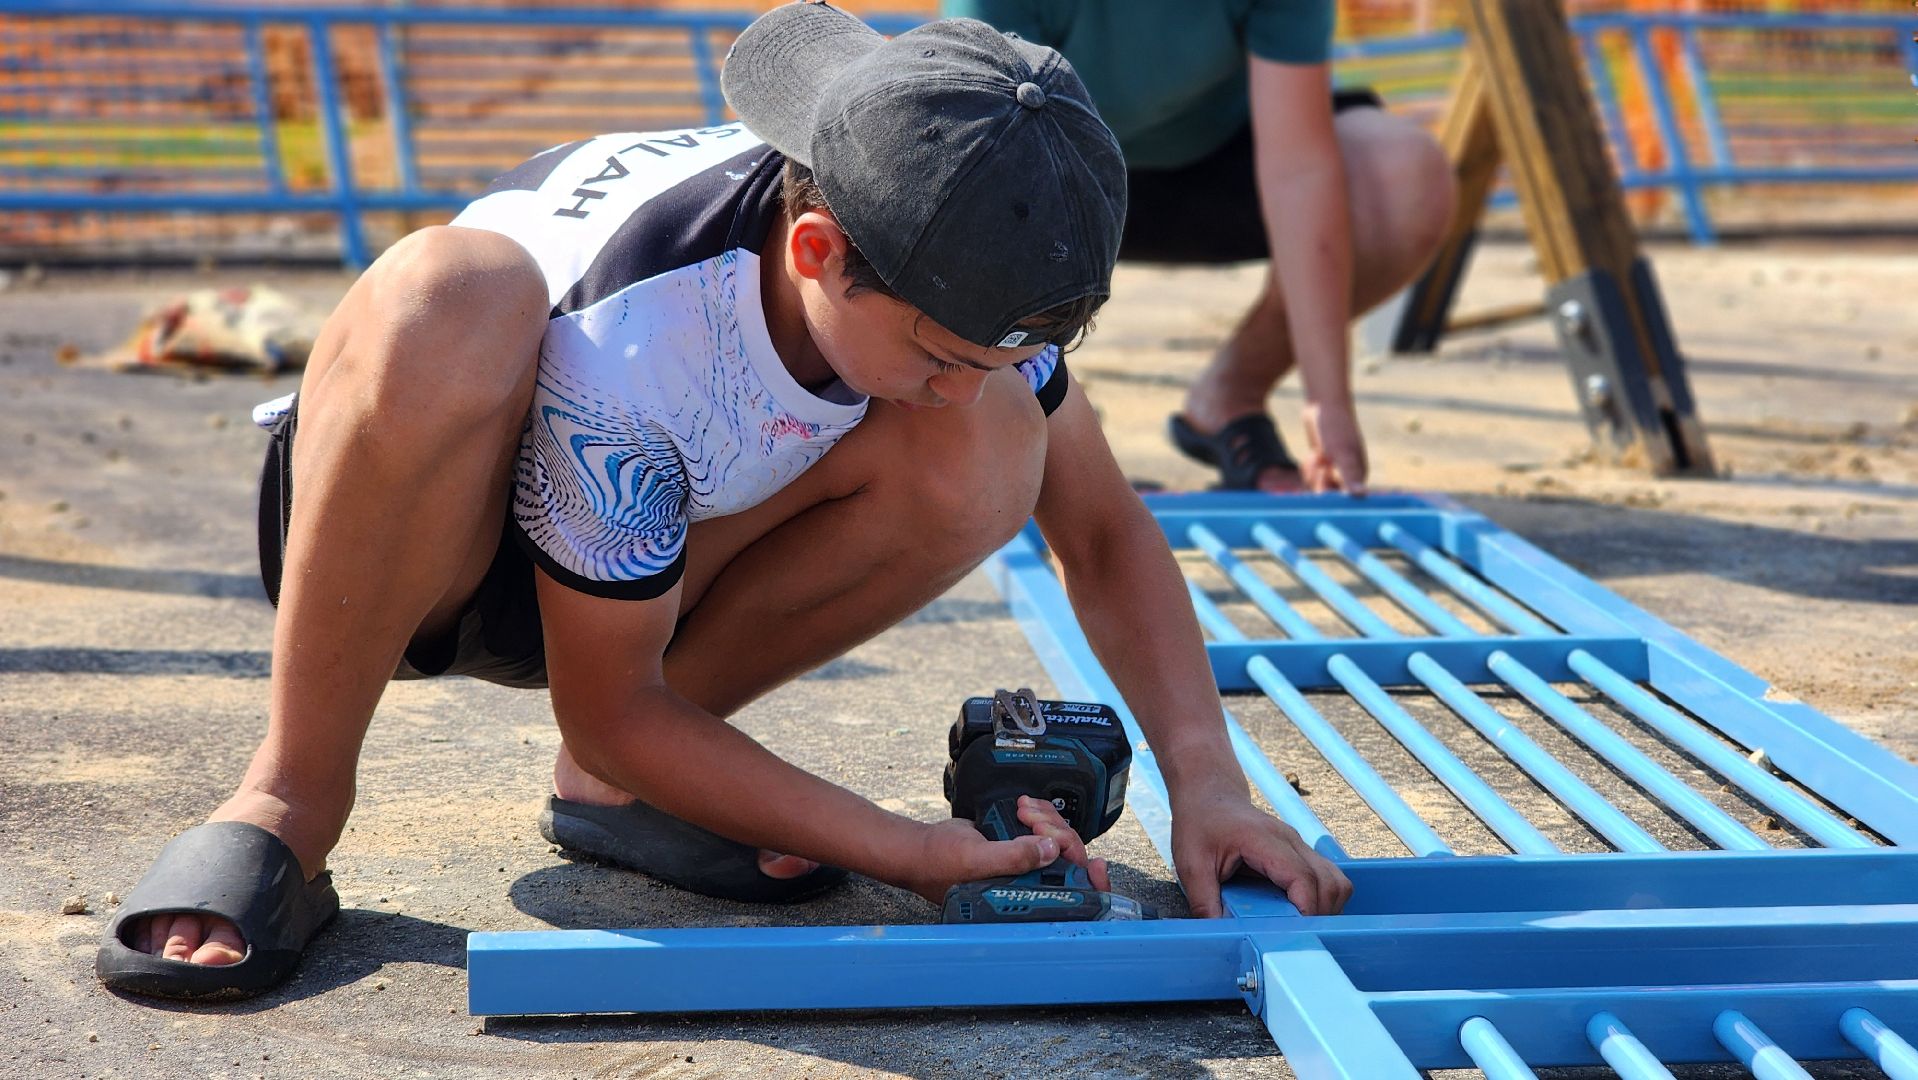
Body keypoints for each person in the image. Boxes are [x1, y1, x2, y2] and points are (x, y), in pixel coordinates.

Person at [95, 2, 1350, 1002]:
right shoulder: (641, 333)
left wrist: (1210, 787)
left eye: (986, 358)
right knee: (450, 293)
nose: (961, 391)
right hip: (423, 536)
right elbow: (611, 694)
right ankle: (289, 798)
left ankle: (616, 795)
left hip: (645, 554)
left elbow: (1106, 534)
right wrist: (901, 849)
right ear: (819, 254)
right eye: (940, 358)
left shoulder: (946, 263)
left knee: (993, 449)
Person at [943, 0, 1458, 493]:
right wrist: (1034, 406)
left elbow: (1298, 173)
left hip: (1220, 165)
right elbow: (979, 158)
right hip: (1049, 163)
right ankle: (1037, 417)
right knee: (960, 182)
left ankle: (1230, 397)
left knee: (1402, 178)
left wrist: (1328, 400)